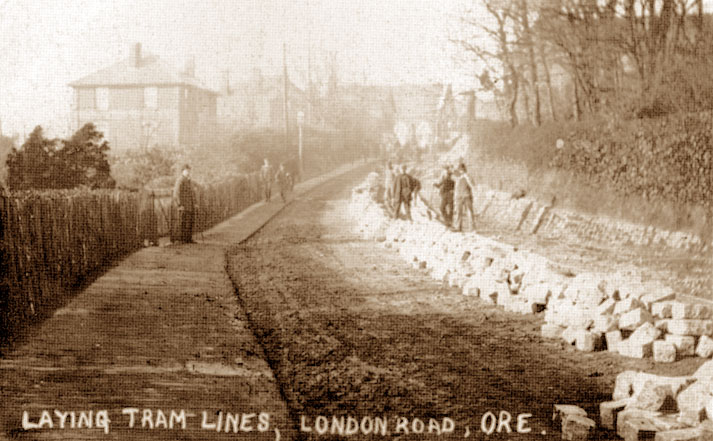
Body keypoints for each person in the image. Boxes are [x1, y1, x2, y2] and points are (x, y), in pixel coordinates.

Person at [172, 164, 196, 244]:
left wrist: (195, 203)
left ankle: (188, 238)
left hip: (190, 205)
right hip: (184, 205)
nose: (188, 172)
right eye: (186, 170)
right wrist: (179, 204)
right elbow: (176, 193)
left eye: (189, 170)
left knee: (190, 222)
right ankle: (182, 239)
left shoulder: (189, 181)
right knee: (183, 222)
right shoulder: (180, 180)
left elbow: (192, 193)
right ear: (183, 171)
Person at [453, 163, 476, 232]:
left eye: (461, 169)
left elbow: (472, 185)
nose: (460, 171)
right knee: (458, 212)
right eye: (459, 169)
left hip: (466, 196)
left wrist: (466, 176)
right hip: (458, 197)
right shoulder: (457, 176)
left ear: (463, 169)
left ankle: (472, 228)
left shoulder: (467, 176)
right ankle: (458, 227)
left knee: (469, 212)